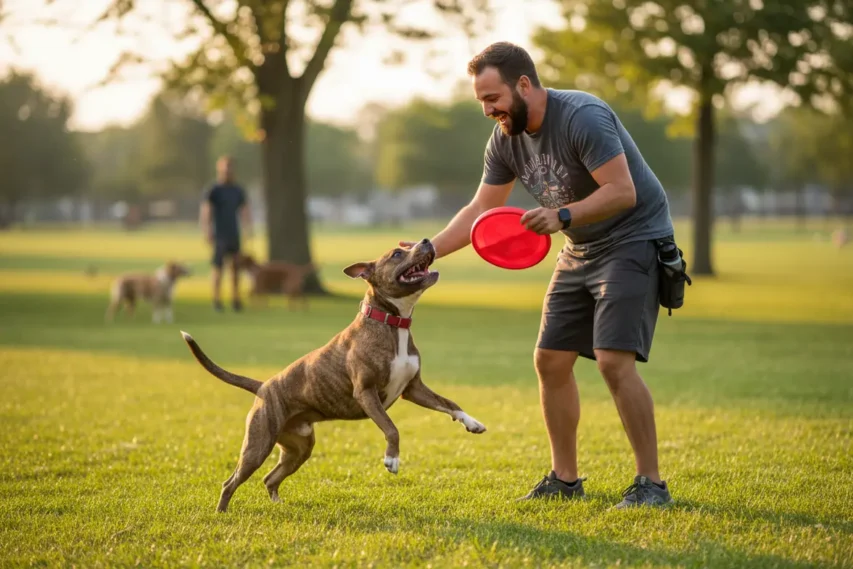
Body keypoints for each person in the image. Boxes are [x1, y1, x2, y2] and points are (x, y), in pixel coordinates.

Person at [401, 42, 677, 508]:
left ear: (524, 84)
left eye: (494, 98)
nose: (489, 110)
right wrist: (428, 251)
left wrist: (562, 215)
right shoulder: (505, 139)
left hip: (633, 239)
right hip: (580, 246)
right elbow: (481, 210)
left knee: (613, 361)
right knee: (550, 360)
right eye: (482, 101)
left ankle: (651, 484)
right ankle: (565, 480)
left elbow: (622, 191)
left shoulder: (581, 117)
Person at [200, 156, 252, 312]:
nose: (228, 171)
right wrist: (207, 230)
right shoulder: (213, 189)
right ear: (220, 169)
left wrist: (247, 228)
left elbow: (244, 210)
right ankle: (216, 300)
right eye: (225, 167)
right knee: (218, 268)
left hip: (233, 234)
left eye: (230, 168)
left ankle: (236, 299)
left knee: (236, 268)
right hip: (219, 234)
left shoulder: (238, 190)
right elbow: (206, 211)